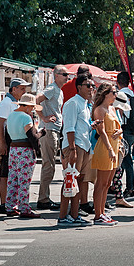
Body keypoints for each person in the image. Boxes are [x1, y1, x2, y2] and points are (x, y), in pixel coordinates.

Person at [57, 73, 96, 227]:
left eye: (93, 86)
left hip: (84, 146)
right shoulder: (73, 103)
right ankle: (62, 216)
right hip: (75, 146)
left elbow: (81, 126)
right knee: (69, 179)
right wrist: (72, 149)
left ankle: (74, 214)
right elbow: (69, 128)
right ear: (79, 87)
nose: (91, 88)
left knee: (78, 181)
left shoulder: (85, 104)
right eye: (88, 85)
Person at [4, 93, 44, 218]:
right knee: (24, 181)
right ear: (27, 106)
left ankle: (10, 206)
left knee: (13, 179)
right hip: (24, 151)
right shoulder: (26, 118)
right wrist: (42, 133)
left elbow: (8, 136)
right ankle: (24, 207)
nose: (32, 110)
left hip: (13, 150)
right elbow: (32, 137)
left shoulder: (10, 116)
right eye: (32, 107)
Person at [34, 65, 68, 211]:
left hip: (54, 130)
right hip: (49, 130)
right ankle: (43, 199)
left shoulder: (59, 91)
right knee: (48, 166)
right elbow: (36, 100)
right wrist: (44, 117)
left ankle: (44, 197)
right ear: (56, 75)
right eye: (64, 74)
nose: (67, 77)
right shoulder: (52, 88)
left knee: (50, 166)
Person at [0, 77, 30, 215]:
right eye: (21, 88)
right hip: (9, 140)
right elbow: (0, 124)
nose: (23, 91)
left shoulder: (14, 103)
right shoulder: (6, 103)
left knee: (13, 174)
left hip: (14, 140)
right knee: (5, 174)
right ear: (13, 89)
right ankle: (4, 204)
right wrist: (3, 143)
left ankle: (10, 203)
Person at [90, 82, 121, 225]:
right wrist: (109, 149)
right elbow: (101, 132)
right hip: (105, 146)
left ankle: (102, 212)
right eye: (113, 92)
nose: (115, 95)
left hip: (114, 145)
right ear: (105, 94)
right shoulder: (99, 109)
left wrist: (120, 131)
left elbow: (120, 126)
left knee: (108, 183)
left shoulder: (112, 108)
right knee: (101, 183)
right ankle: (98, 214)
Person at [107, 92, 134, 209]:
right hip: (110, 146)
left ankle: (119, 197)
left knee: (117, 172)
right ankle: (117, 197)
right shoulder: (109, 110)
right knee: (110, 175)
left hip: (116, 145)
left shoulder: (115, 111)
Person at [115, 71, 134, 199]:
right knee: (123, 158)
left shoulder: (121, 94)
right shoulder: (133, 95)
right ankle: (116, 185)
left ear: (118, 82)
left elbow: (125, 113)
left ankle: (130, 188)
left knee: (125, 159)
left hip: (124, 129)